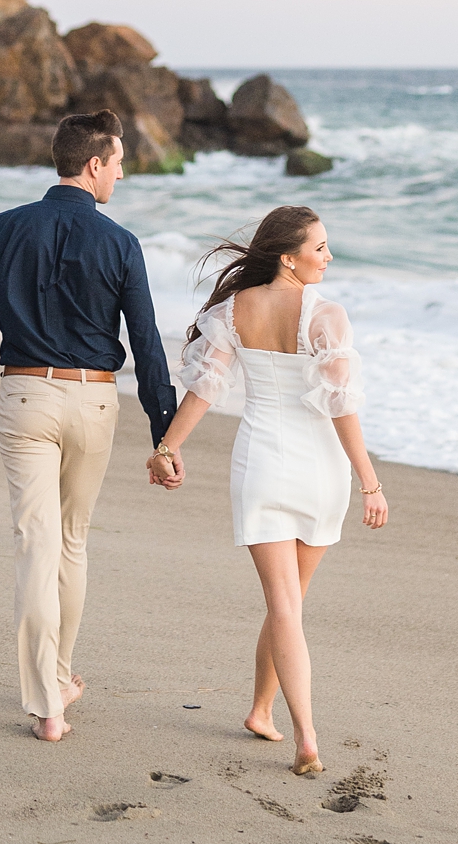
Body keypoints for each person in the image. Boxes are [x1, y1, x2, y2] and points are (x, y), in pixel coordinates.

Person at [0, 108, 176, 742]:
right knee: (71, 543)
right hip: (94, 403)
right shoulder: (121, 242)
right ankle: (58, 678)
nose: (120, 174)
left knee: (34, 547)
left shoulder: (7, 227)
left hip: (25, 399)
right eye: (118, 162)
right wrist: (164, 433)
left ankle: (50, 705)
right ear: (94, 164)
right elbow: (146, 343)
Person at [145, 204, 388, 777]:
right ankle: (306, 736)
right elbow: (342, 408)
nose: (328, 257)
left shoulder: (235, 310)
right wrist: (370, 482)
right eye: (320, 247)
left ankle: (261, 710)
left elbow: (207, 387)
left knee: (286, 606)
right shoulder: (326, 316)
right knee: (289, 605)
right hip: (320, 472)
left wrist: (168, 447)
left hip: (260, 463)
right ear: (289, 256)